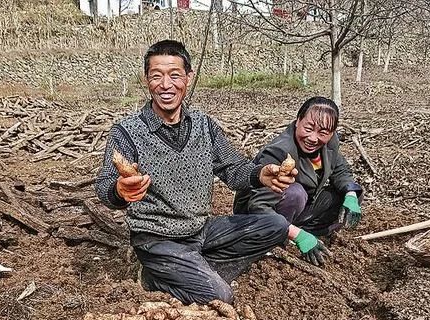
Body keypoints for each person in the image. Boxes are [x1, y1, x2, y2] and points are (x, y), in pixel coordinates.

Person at [95, 40, 301, 305]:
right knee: (219, 296)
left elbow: (234, 168)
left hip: (201, 230)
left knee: (276, 225)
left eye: (174, 76)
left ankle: (191, 269)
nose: (165, 85)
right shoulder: (128, 132)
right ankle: (154, 277)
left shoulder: (204, 126)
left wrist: (260, 175)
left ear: (188, 78)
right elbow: (104, 185)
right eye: (156, 76)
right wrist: (120, 191)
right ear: (146, 80)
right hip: (157, 239)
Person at [233, 96, 363, 266]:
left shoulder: (329, 143)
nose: (313, 138)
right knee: (295, 193)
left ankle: (308, 233)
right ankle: (274, 239)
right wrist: (298, 236)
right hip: (256, 216)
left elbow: (341, 169)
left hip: (297, 208)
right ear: (297, 121)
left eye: (323, 133)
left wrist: (351, 195)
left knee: (348, 192)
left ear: (331, 133)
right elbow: (258, 206)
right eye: (308, 128)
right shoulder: (279, 152)